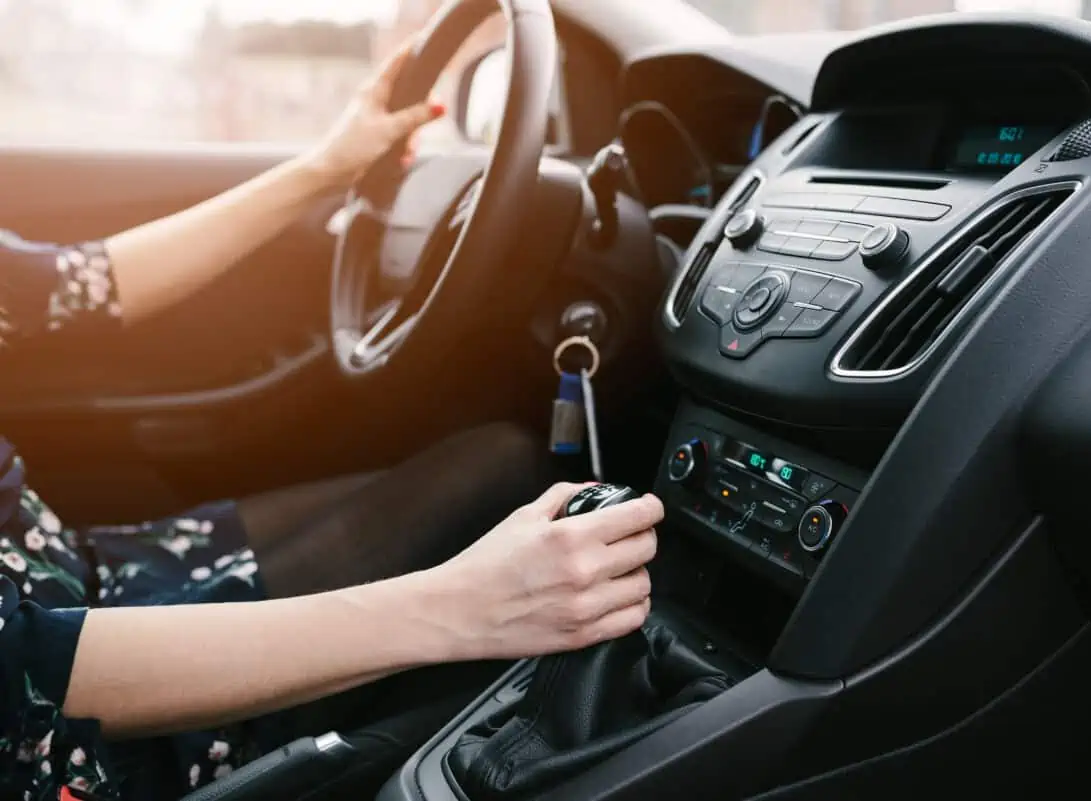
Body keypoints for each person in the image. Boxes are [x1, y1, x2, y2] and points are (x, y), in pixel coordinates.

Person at [0, 43, 662, 801]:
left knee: (502, 464)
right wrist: (466, 609)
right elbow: (27, 665)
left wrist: (329, 165)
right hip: (64, 736)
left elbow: (70, 286)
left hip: (81, 574)